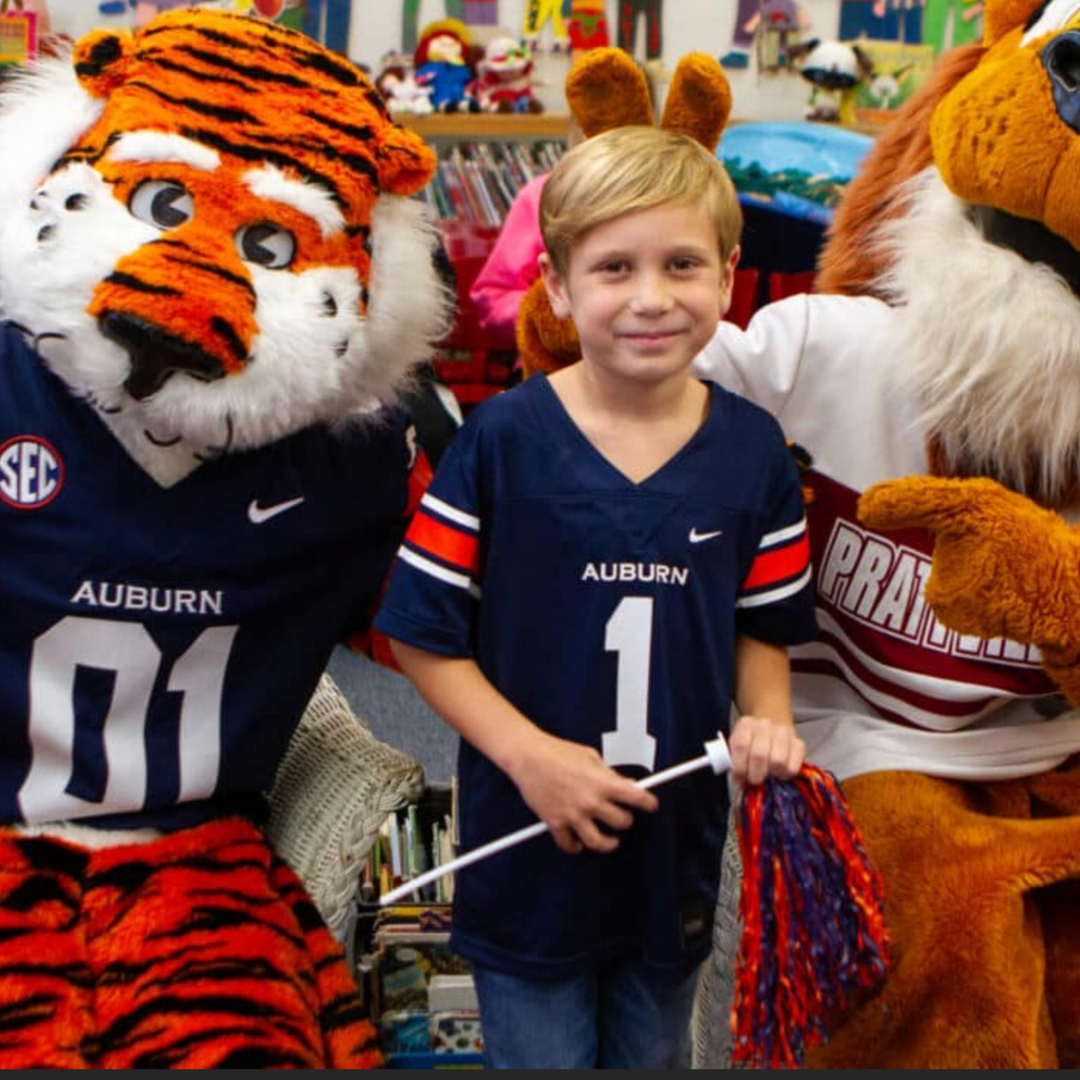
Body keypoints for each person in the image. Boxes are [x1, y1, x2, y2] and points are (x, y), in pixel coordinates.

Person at [374, 125, 818, 1070]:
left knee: (658, 1051)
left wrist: (770, 718)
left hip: (675, 853)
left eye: (684, 264)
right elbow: (420, 634)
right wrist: (530, 757)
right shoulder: (499, 442)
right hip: (528, 846)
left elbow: (764, 629)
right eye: (614, 267)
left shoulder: (755, 455)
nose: (652, 298)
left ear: (731, 273)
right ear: (557, 286)